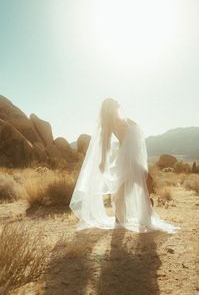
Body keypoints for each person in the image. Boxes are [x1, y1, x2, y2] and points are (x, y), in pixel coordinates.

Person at [69, 98, 180, 234]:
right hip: (126, 160)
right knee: (135, 186)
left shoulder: (122, 119)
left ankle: (133, 214)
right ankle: (129, 215)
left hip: (132, 159)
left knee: (141, 184)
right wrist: (103, 161)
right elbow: (105, 144)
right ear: (108, 108)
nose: (117, 103)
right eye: (114, 103)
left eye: (116, 102)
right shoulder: (108, 123)